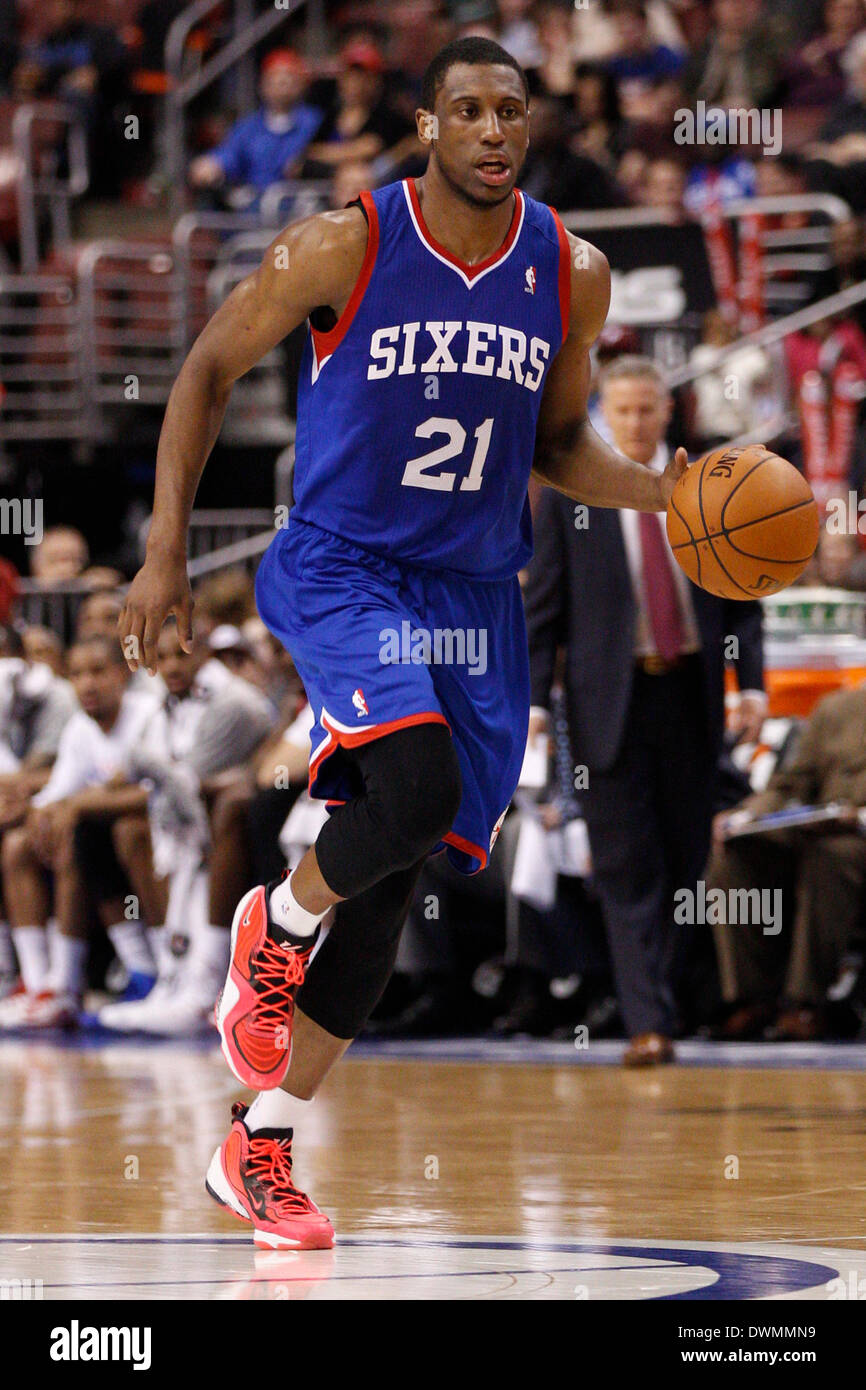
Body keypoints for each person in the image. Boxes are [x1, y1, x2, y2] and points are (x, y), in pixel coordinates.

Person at [119, 36, 691, 1251]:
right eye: (469, 110)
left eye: (512, 112)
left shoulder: (569, 272)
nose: (493, 131)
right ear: (427, 126)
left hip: (476, 590)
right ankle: (273, 923)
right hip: (343, 564)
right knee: (415, 784)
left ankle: (257, 1147)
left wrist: (661, 494)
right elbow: (208, 367)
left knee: (393, 878)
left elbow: (558, 444)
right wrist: (165, 548)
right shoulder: (346, 242)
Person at [524, 356, 766, 1066]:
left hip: (689, 693)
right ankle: (647, 1025)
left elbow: (742, 599)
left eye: (647, 409)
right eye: (622, 410)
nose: (635, 422)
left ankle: (664, 1000)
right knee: (628, 866)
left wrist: (749, 685)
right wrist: (536, 702)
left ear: (668, 412)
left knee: (687, 860)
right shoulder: (572, 497)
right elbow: (542, 612)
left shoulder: (706, 490)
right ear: (605, 411)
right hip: (606, 701)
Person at [189, 49, 323, 210]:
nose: (282, 85)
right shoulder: (249, 126)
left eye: (289, 78)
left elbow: (331, 152)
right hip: (255, 205)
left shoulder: (315, 122)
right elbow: (229, 154)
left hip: (298, 204)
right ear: (263, 85)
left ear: (301, 85)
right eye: (275, 79)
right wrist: (211, 164)